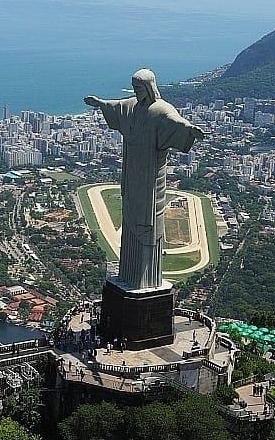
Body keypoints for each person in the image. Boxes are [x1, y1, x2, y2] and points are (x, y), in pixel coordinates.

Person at [85, 69, 205, 289]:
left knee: (148, 221)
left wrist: (189, 129)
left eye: (140, 88)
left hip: (151, 176)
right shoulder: (131, 106)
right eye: (135, 88)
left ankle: (146, 279)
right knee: (130, 218)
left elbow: (175, 121)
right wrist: (99, 103)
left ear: (150, 87)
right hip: (132, 173)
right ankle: (128, 275)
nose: (136, 92)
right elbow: (116, 107)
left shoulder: (161, 110)